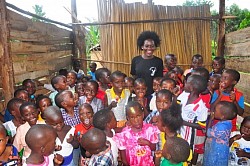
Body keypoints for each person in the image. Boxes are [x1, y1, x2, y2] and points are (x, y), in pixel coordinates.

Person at [114, 101, 159, 166]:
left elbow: (154, 148)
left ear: (143, 115)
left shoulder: (150, 129)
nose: (136, 120)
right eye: (132, 117)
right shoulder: (124, 134)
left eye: (138, 116)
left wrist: (148, 143)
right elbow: (124, 160)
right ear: (128, 118)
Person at [177, 75, 208, 165]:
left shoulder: (201, 107)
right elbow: (176, 104)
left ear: (192, 87)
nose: (184, 84)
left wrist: (184, 122)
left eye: (187, 83)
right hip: (178, 130)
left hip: (189, 136)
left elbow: (201, 126)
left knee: (186, 153)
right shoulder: (183, 95)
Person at [203, 101, 237, 166]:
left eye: (215, 110)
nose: (213, 111)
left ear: (222, 116)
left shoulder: (221, 127)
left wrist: (210, 119)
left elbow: (208, 133)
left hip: (216, 152)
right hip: (220, 150)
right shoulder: (227, 123)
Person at [130, 31, 163, 97]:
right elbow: (134, 76)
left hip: (152, 94)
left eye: (152, 46)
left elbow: (159, 79)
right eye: (147, 46)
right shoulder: (136, 60)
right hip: (138, 93)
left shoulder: (158, 61)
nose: (149, 48)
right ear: (142, 46)